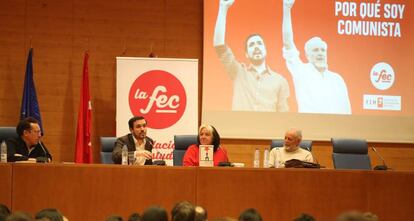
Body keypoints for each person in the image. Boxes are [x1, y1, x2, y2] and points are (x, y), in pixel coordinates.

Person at [214, 0, 290, 112]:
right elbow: (219, 46)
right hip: (239, 128)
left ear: (265, 49)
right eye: (251, 45)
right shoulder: (238, 72)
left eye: (259, 43)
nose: (256, 47)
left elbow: (284, 115)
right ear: (246, 54)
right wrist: (222, 8)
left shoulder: (280, 81)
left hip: (268, 129)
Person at [282, 0, 351, 114]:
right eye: (315, 50)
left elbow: (347, 111)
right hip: (309, 128)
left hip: (335, 130)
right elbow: (288, 43)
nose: (320, 53)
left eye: (323, 50)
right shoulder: (301, 71)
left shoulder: (337, 79)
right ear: (307, 55)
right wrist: (286, 9)